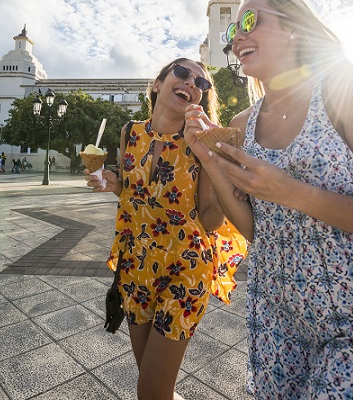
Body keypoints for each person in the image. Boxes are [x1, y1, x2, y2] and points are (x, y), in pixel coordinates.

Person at [185, 0, 353, 398]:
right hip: (276, 318)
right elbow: (257, 231)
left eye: (250, 22)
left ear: (295, 29)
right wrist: (209, 160)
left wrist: (293, 192)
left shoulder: (348, 88)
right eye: (233, 29)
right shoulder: (242, 121)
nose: (235, 38)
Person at [86, 58, 247, 400]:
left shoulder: (202, 143)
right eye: (183, 73)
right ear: (158, 84)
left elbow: (210, 220)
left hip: (185, 270)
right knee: (153, 381)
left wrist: (220, 173)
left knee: (151, 391)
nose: (192, 83)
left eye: (202, 84)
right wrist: (112, 182)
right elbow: (133, 187)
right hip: (135, 266)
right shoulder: (130, 131)